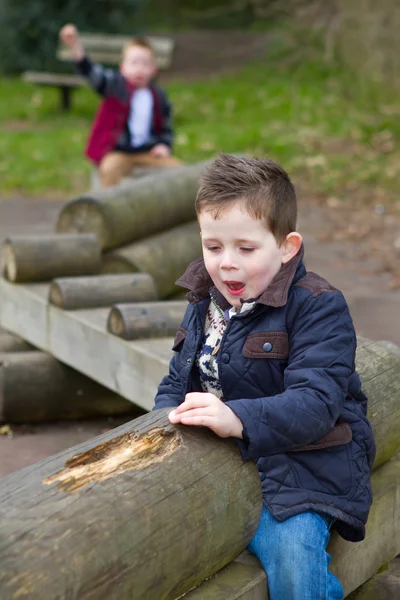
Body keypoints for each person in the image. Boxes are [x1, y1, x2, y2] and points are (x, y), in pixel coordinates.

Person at [153, 153, 376, 600]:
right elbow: (177, 382)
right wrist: (161, 430)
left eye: (246, 248)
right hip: (225, 462)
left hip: (305, 467)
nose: (227, 264)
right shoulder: (204, 302)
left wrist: (236, 418)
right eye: (213, 247)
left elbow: (315, 404)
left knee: (294, 559)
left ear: (287, 246)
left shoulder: (318, 306)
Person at [59, 24, 181, 187]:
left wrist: (164, 145)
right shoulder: (115, 86)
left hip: (148, 152)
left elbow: (166, 127)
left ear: (153, 69)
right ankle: (104, 209)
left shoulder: (158, 96)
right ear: (123, 67)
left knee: (180, 172)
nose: (139, 69)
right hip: (119, 151)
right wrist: (75, 45)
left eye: (145, 64)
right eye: (134, 63)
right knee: (109, 169)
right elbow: (91, 73)